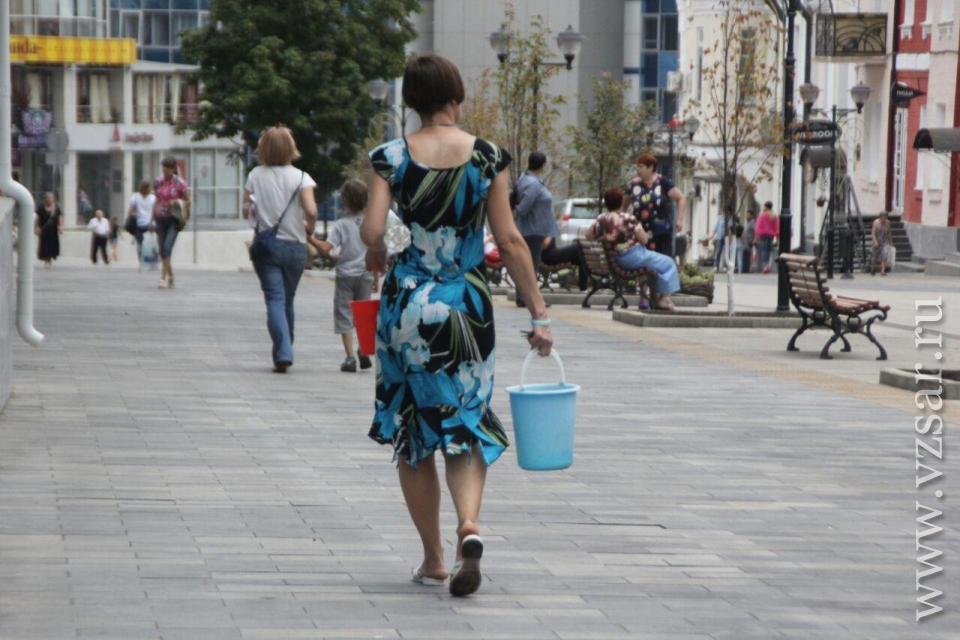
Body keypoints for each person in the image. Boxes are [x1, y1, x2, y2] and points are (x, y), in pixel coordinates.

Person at [362, 53, 552, 598]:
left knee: (413, 431)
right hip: (467, 304)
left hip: (407, 307)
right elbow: (510, 240)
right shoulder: (487, 157)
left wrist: (404, 243)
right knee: (465, 419)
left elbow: (372, 232)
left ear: (410, 101)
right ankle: (469, 522)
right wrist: (539, 314)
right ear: (455, 95)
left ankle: (434, 559)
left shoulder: (391, 157)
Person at [243, 126, 318, 373]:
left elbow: (245, 210)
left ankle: (283, 351)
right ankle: (285, 350)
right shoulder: (302, 177)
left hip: (267, 247)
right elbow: (311, 210)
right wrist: (309, 228)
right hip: (296, 247)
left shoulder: (255, 175)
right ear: (290, 148)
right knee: (288, 299)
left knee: (275, 299)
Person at [308, 179, 375, 373]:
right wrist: (377, 278)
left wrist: (309, 237)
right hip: (367, 274)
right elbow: (375, 250)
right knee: (363, 315)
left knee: (344, 313)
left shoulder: (341, 225)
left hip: (346, 275)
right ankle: (363, 350)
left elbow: (325, 249)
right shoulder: (371, 224)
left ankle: (350, 358)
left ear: (345, 201)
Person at [587, 187, 680, 311]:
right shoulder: (628, 219)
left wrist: (604, 236)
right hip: (633, 257)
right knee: (669, 263)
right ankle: (664, 299)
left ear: (606, 203)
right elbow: (644, 240)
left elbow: (588, 235)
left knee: (656, 265)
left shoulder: (601, 219)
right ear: (621, 202)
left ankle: (652, 299)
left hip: (616, 260)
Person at [513, 151, 556, 307]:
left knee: (528, 264)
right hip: (532, 230)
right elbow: (524, 207)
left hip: (532, 229)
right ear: (543, 165)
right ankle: (529, 298)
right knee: (530, 265)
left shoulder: (525, 179)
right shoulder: (533, 183)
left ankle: (524, 296)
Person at [623, 153, 686, 257]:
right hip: (640, 232)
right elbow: (623, 206)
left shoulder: (663, 182)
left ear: (650, 167)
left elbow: (681, 198)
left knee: (661, 260)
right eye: (637, 167)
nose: (638, 170)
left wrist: (679, 220)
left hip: (661, 232)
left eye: (641, 167)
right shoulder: (634, 185)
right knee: (642, 261)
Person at [152, 156, 191, 289]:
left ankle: (163, 278)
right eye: (164, 166)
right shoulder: (158, 182)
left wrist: (176, 201)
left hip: (174, 219)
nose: (165, 169)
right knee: (162, 250)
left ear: (174, 168)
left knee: (167, 247)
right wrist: (151, 218)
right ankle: (171, 275)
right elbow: (156, 200)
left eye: (168, 167)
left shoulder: (180, 183)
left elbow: (188, 201)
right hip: (160, 218)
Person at [127, 180, 155, 258]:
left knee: (140, 244)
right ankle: (153, 258)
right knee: (153, 242)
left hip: (139, 225)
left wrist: (130, 220)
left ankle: (141, 261)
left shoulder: (135, 197)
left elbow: (130, 212)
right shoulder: (153, 198)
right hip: (152, 224)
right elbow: (155, 212)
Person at [34, 192, 62, 268]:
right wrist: (36, 227)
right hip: (44, 230)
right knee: (45, 245)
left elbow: (59, 217)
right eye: (49, 198)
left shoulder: (56, 208)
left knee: (52, 245)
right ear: (45, 199)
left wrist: (61, 227)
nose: (51, 199)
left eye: (52, 198)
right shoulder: (41, 208)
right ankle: (46, 261)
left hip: (53, 231)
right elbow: (38, 218)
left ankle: (50, 260)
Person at [755, 201, 779, 274]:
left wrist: (756, 238)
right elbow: (777, 227)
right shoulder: (774, 216)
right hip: (771, 235)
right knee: (769, 249)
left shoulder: (762, 216)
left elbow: (758, 227)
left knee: (764, 249)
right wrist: (777, 238)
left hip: (763, 235)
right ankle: (768, 265)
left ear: (766, 207)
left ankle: (765, 266)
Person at [871, 210, 891, 276]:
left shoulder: (888, 223)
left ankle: (882, 271)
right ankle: (873, 268)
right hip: (877, 240)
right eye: (883, 217)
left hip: (884, 241)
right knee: (874, 256)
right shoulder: (876, 222)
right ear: (880, 217)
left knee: (885, 254)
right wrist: (875, 241)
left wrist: (890, 242)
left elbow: (889, 233)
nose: (884, 219)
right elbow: (873, 233)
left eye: (885, 217)